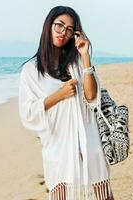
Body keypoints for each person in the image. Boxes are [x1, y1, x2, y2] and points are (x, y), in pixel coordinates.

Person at [18, 5, 115, 200]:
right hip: (58, 144)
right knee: (61, 193)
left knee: (104, 195)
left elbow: (92, 97)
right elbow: (27, 113)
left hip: (89, 140)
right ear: (49, 26)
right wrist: (59, 95)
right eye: (59, 26)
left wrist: (86, 57)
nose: (63, 33)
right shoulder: (31, 70)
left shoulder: (77, 62)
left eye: (70, 29)